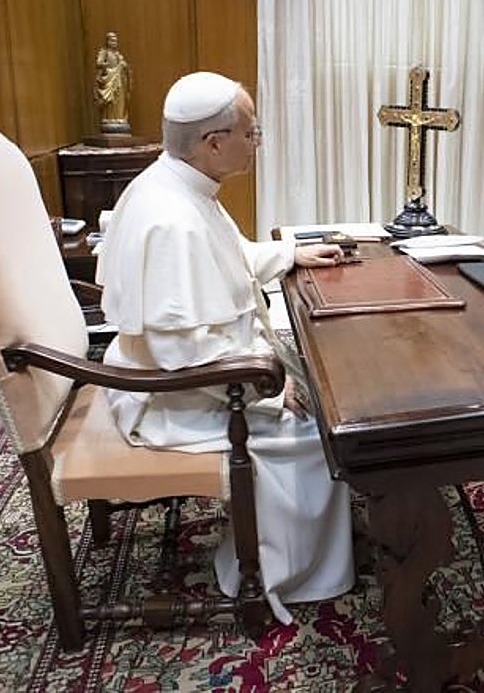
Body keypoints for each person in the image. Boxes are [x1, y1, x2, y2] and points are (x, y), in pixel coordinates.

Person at [95, 71, 355, 623]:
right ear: (214, 143)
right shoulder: (172, 219)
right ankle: (283, 573)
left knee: (312, 387)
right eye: (252, 131)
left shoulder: (180, 186)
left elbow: (229, 256)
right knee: (318, 428)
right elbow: (183, 355)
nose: (257, 142)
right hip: (172, 399)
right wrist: (268, 396)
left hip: (199, 376)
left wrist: (290, 256)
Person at [94, 31, 131, 132]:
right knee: (110, 101)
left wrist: (123, 66)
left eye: (116, 41)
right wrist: (109, 68)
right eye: (112, 41)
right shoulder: (104, 52)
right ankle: (110, 119)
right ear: (108, 42)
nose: (115, 43)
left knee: (119, 99)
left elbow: (125, 66)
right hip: (110, 79)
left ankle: (119, 118)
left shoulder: (118, 55)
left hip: (119, 80)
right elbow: (99, 63)